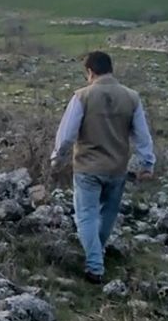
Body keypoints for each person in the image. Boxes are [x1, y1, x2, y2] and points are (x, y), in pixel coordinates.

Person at [50, 51, 155, 283]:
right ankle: (97, 251)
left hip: (87, 167)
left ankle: (95, 265)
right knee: (107, 214)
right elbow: (142, 136)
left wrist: (58, 158)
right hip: (117, 168)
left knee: (86, 215)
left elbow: (67, 134)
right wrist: (147, 163)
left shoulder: (82, 96)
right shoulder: (132, 97)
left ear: (90, 72)